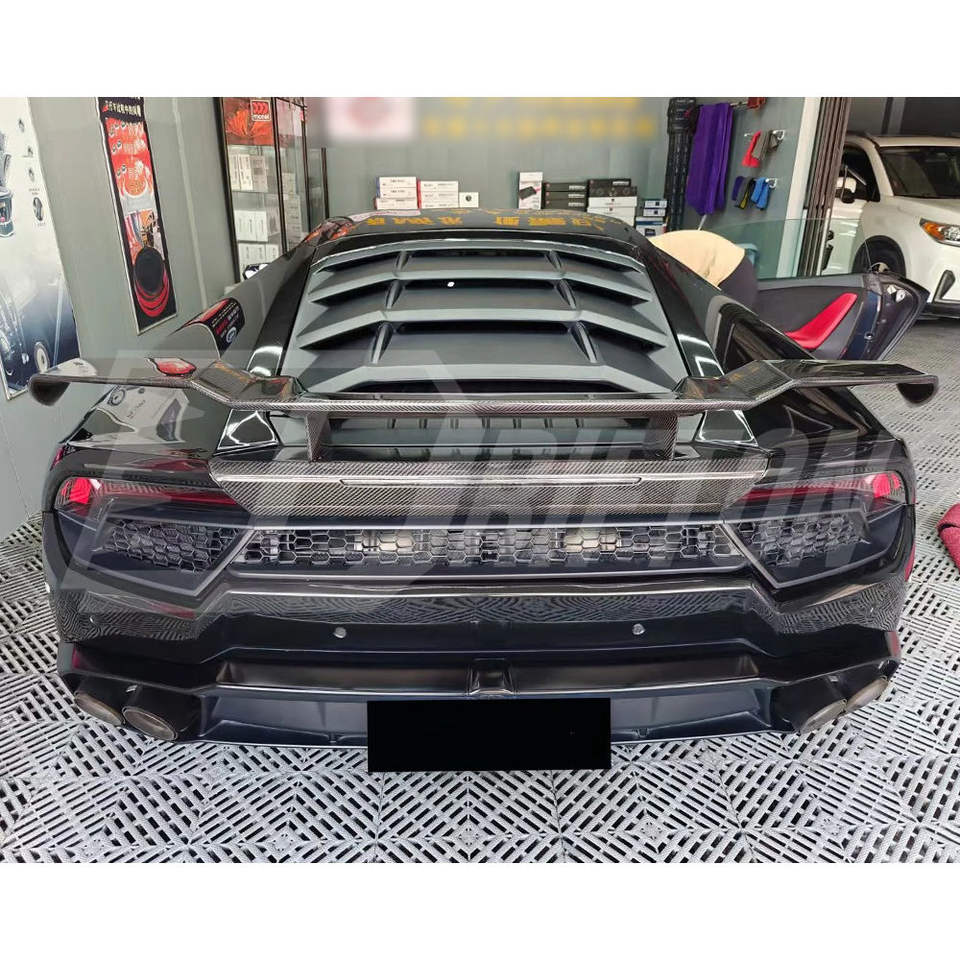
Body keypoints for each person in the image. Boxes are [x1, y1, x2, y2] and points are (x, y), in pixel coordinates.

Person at [650, 229, 758, 311]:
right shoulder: (647, 249)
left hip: (731, 271)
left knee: (728, 327)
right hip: (721, 263)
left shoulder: (648, 258)